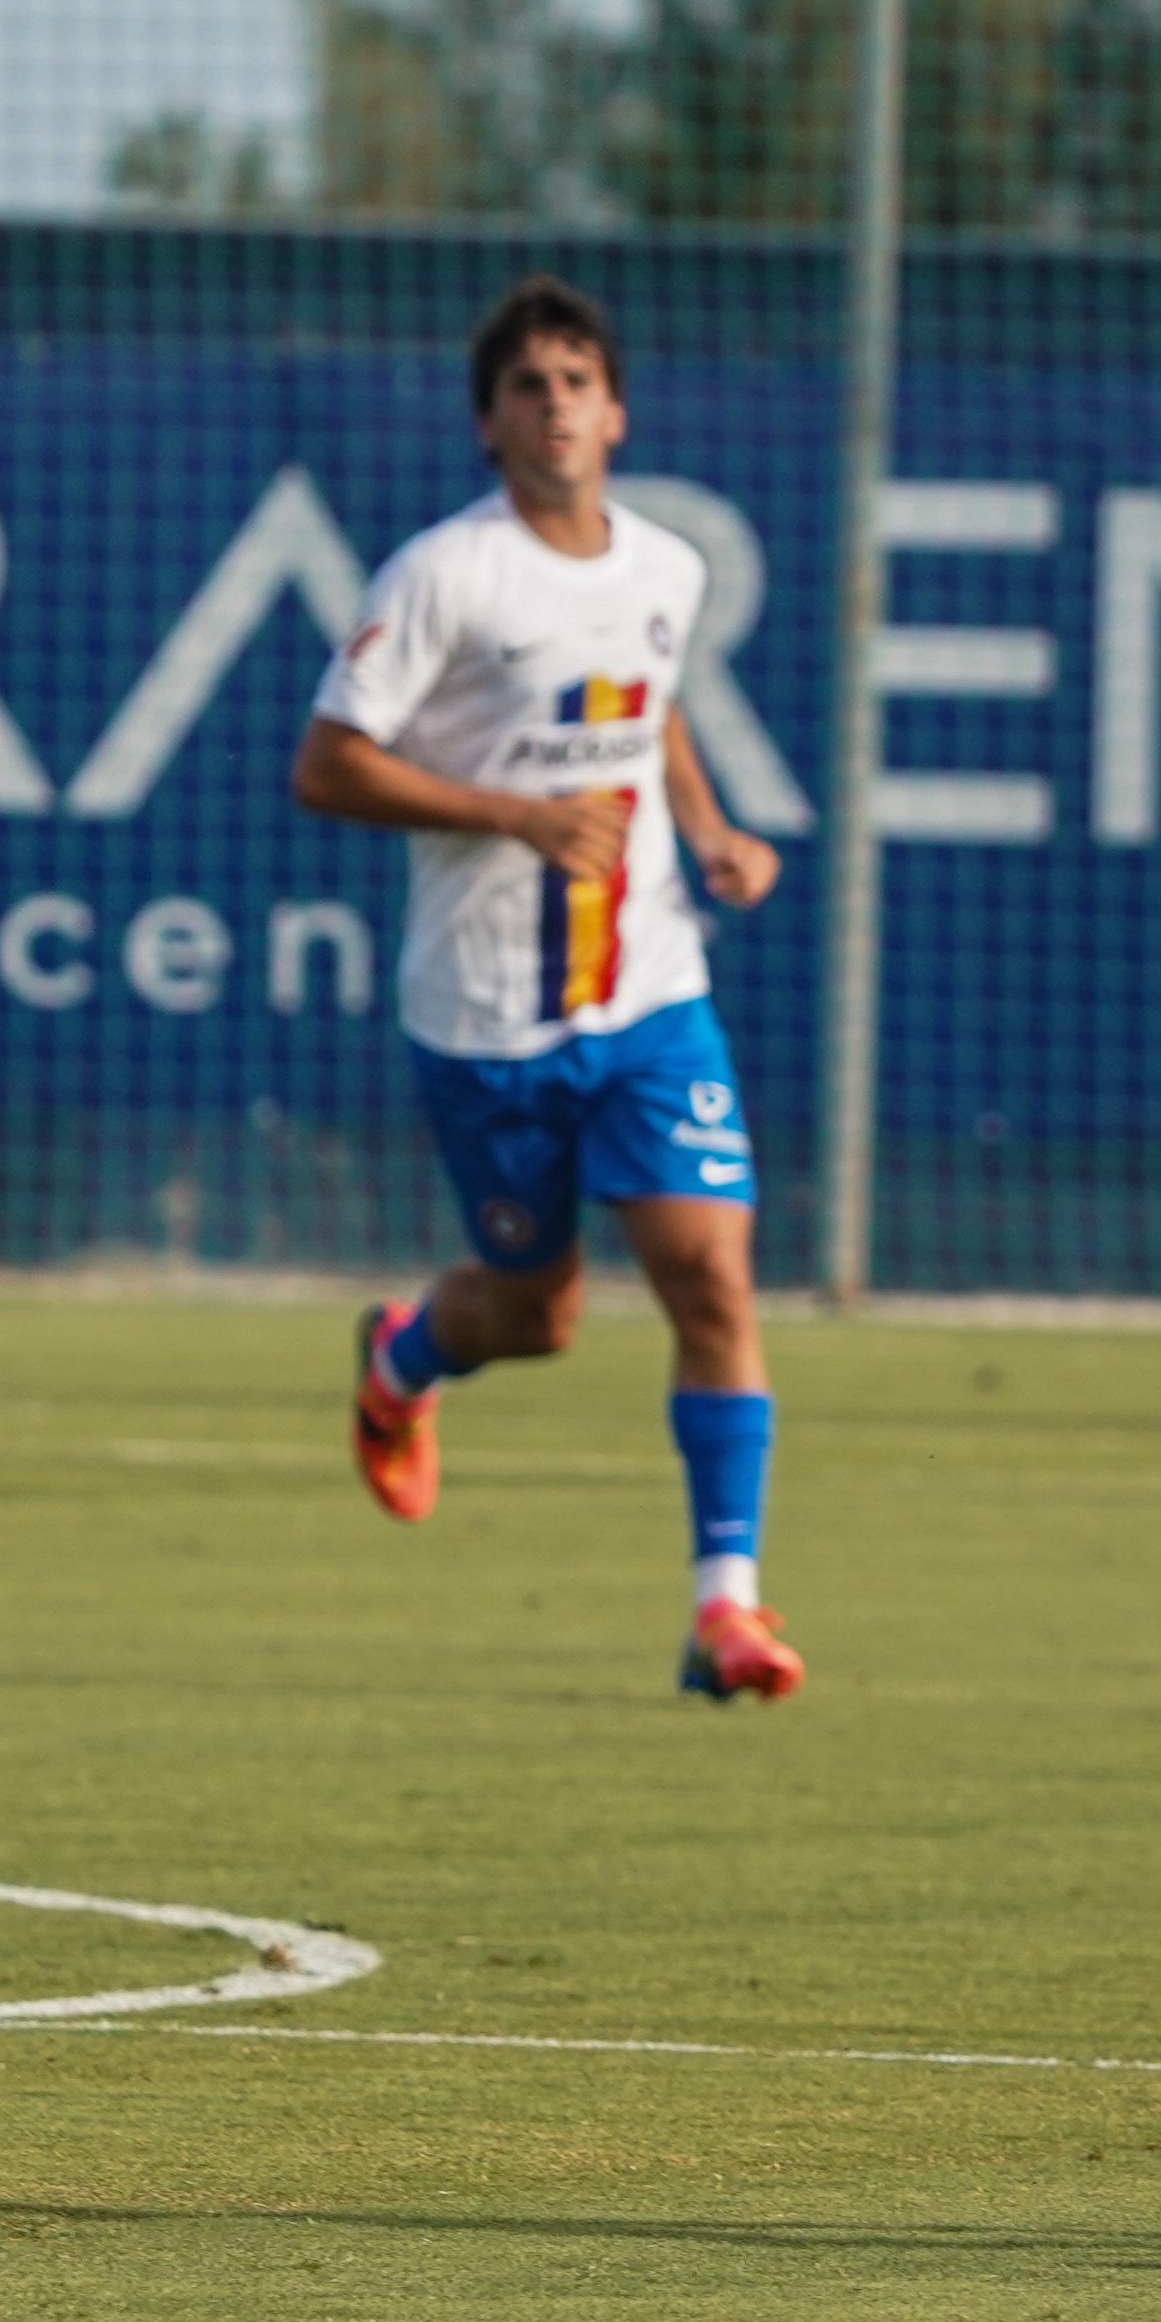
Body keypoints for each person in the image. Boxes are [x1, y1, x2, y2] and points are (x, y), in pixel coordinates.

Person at [294, 275, 805, 1704]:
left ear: (618, 410)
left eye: (579, 377)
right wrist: (513, 815)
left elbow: (647, 708)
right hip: (485, 1012)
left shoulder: (664, 569)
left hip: (648, 988)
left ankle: (728, 1610)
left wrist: (703, 833)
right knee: (539, 1314)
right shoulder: (441, 576)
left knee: (710, 1269)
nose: (558, 402)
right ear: (489, 422)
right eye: (529, 383)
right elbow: (326, 764)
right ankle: (401, 1359)